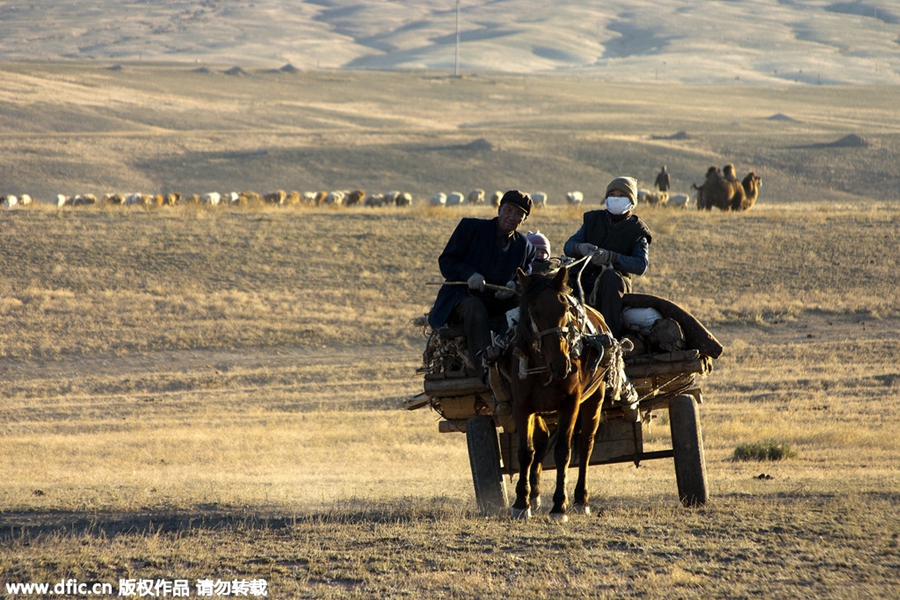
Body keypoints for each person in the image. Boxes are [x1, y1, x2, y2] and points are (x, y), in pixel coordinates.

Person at [428, 190, 536, 381]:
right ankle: (486, 369)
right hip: (463, 298)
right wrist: (469, 274)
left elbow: (524, 276)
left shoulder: (525, 247)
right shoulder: (470, 228)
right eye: (508, 210)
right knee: (475, 308)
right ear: (499, 209)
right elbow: (447, 261)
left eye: (519, 214)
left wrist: (514, 286)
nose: (512, 217)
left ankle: (522, 367)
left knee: (526, 311)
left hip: (499, 304)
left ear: (524, 219)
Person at [563, 176, 652, 337]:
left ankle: (609, 337)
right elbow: (568, 246)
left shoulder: (638, 231)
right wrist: (580, 248)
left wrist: (612, 257)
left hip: (613, 283)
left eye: (621, 195)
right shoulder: (592, 219)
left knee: (611, 278)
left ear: (631, 201)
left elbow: (640, 265)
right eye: (612, 194)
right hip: (584, 276)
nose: (616, 198)